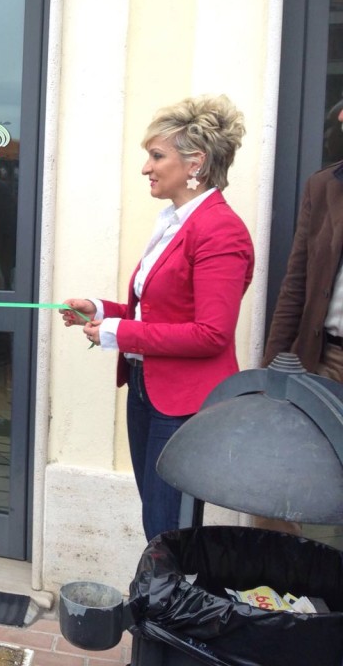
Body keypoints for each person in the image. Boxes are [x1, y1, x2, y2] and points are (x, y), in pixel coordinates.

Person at [62, 95, 254, 542]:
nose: (146, 168)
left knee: (170, 528)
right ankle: (164, 589)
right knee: (158, 519)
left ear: (195, 163)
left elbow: (211, 334)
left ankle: (171, 591)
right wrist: (102, 310)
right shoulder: (175, 221)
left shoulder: (219, 228)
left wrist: (118, 332)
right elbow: (157, 312)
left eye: (156, 156)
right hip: (146, 387)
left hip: (183, 400)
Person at [263, 103, 343, 381]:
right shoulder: (323, 186)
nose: (341, 116)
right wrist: (270, 373)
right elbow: (295, 286)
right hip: (326, 361)